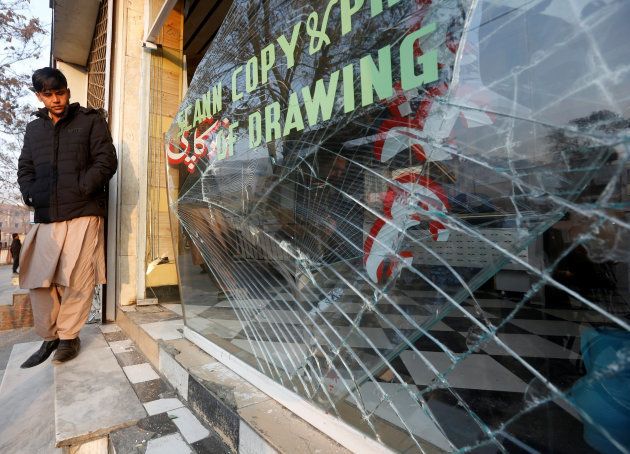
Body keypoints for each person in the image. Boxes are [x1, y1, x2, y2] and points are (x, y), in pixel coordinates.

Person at [17, 67, 117, 368]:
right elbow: (25, 168)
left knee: (76, 278)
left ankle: (69, 337)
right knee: (38, 278)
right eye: (48, 95)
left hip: (83, 210)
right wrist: (31, 193)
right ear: (39, 96)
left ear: (68, 92)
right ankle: (49, 337)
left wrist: (83, 186)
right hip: (47, 213)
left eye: (60, 92)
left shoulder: (90, 120)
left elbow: (106, 159)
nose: (56, 99)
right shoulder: (34, 129)